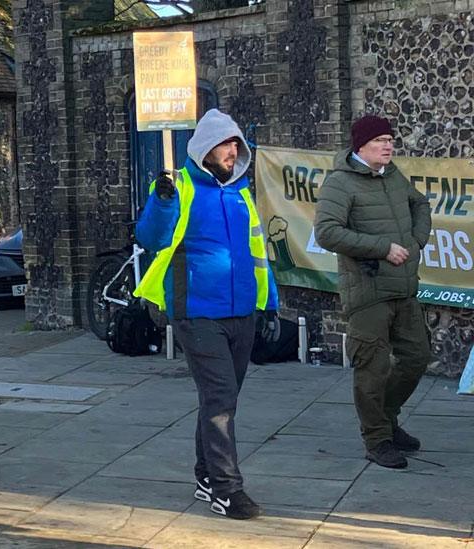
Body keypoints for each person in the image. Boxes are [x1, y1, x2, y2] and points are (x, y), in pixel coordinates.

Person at [133, 108, 279, 520]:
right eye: (225, 143)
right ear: (204, 149)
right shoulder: (179, 187)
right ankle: (227, 490)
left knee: (223, 398)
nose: (233, 151)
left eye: (236, 143)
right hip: (197, 311)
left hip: (241, 312)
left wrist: (269, 304)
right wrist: (162, 202)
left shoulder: (241, 192)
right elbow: (152, 238)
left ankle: (205, 475)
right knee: (219, 400)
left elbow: (257, 253)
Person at [313, 114, 432, 469]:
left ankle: (387, 418)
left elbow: (420, 204)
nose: (388, 145)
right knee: (372, 368)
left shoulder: (392, 176)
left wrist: (416, 240)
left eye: (390, 139)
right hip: (367, 293)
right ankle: (377, 439)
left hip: (403, 288)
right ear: (360, 146)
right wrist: (382, 247)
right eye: (379, 140)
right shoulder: (340, 183)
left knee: (417, 358)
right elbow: (327, 233)